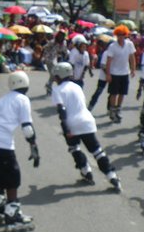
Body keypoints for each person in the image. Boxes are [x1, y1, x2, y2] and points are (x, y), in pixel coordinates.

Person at [0, 71, 40, 232]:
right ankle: (13, 216)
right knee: (13, 176)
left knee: (0, 174)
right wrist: (34, 147)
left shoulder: (3, 99)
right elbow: (27, 128)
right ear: (25, 84)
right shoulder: (22, 99)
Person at [51, 61, 122, 191]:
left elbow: (62, 111)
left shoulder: (57, 90)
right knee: (97, 151)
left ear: (59, 76)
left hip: (72, 123)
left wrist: (66, 129)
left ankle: (86, 171)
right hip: (87, 121)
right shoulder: (77, 86)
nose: (54, 79)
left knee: (74, 148)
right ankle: (112, 176)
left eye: (55, 76)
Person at [104, 24, 136, 123]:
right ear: (116, 35)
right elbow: (108, 61)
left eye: (122, 34)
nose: (120, 36)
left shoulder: (129, 44)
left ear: (125, 35)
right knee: (114, 93)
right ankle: (112, 110)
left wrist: (133, 69)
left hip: (124, 72)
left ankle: (118, 109)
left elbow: (132, 57)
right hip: (114, 73)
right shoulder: (112, 46)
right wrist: (108, 74)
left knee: (122, 93)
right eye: (119, 34)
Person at [87, 35, 112, 112]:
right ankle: (90, 106)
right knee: (98, 92)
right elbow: (103, 66)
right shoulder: (106, 53)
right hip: (104, 77)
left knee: (112, 93)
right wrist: (108, 74)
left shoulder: (114, 53)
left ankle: (110, 108)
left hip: (112, 76)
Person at [42, 30, 68, 95]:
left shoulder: (63, 42)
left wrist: (65, 54)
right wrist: (45, 54)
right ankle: (49, 86)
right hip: (48, 59)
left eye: (62, 35)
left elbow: (64, 50)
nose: (61, 36)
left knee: (54, 74)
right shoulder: (53, 42)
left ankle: (48, 85)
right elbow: (44, 47)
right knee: (53, 73)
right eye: (60, 35)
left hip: (54, 58)